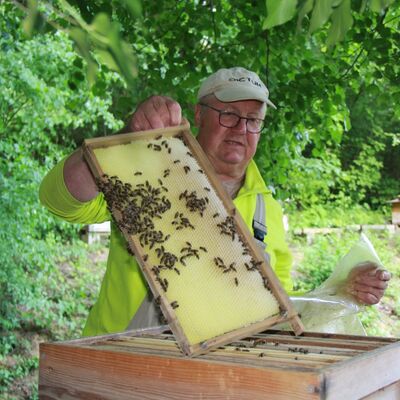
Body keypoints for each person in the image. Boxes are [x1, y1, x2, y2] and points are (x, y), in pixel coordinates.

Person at [40, 67, 391, 337]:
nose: (241, 128)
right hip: (116, 365)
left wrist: (342, 289)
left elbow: (278, 308)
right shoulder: (147, 171)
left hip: (211, 378)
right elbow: (60, 200)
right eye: (229, 115)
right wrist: (124, 139)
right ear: (199, 115)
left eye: (253, 120)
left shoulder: (267, 208)